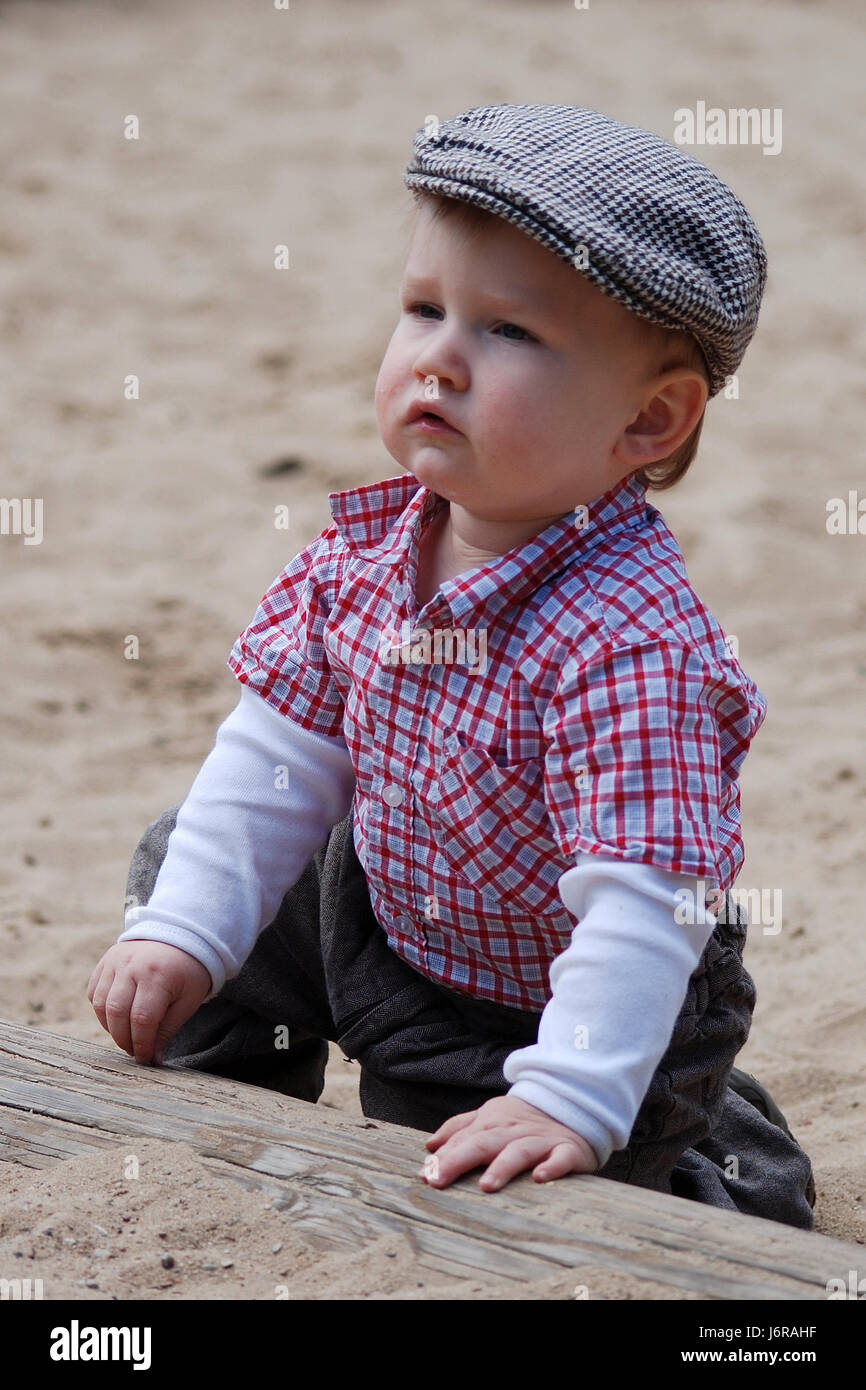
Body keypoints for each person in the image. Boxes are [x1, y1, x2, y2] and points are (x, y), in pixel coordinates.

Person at [88, 104, 815, 1228]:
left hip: (542, 1000)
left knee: (482, 1171)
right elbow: (278, 752)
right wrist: (188, 929)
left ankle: (702, 1140)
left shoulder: (627, 643)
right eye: (424, 309)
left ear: (649, 418)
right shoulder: (368, 551)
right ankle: (219, 1108)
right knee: (186, 869)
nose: (438, 356)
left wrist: (567, 1093)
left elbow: (643, 900)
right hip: (386, 905)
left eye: (507, 333)